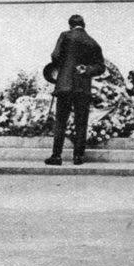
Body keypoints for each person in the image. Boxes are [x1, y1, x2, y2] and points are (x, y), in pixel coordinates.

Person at [44, 14, 105, 167]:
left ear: (70, 25)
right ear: (84, 25)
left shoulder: (65, 36)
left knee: (61, 122)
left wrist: (63, 66)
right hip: (82, 86)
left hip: (64, 85)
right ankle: (78, 156)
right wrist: (87, 69)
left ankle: (56, 156)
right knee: (81, 122)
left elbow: (55, 56)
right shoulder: (92, 42)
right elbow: (101, 67)